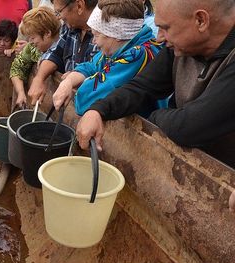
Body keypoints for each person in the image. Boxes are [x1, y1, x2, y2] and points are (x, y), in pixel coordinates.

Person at [75, 0, 235, 168]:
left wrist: (154, 116)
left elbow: (191, 127)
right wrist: (98, 110)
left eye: (166, 28)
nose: (159, 37)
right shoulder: (180, 47)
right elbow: (142, 87)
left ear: (201, 20)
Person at [52, 0, 164, 116]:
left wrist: (83, 82)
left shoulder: (137, 54)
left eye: (97, 35)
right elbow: (90, 66)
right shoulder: (121, 45)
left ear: (116, 35)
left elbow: (84, 101)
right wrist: (68, 82)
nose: (94, 42)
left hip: (148, 128)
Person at [28, 0, 99, 106]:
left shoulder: (103, 36)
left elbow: (101, 70)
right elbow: (55, 53)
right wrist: (39, 78)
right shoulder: (69, 28)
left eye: (59, 11)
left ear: (79, 6)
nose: (59, 17)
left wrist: (75, 77)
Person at [10, 7, 61, 109]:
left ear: (47, 33)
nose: (30, 41)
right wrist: (20, 92)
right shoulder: (33, 48)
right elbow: (16, 68)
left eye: (33, 37)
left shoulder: (65, 46)